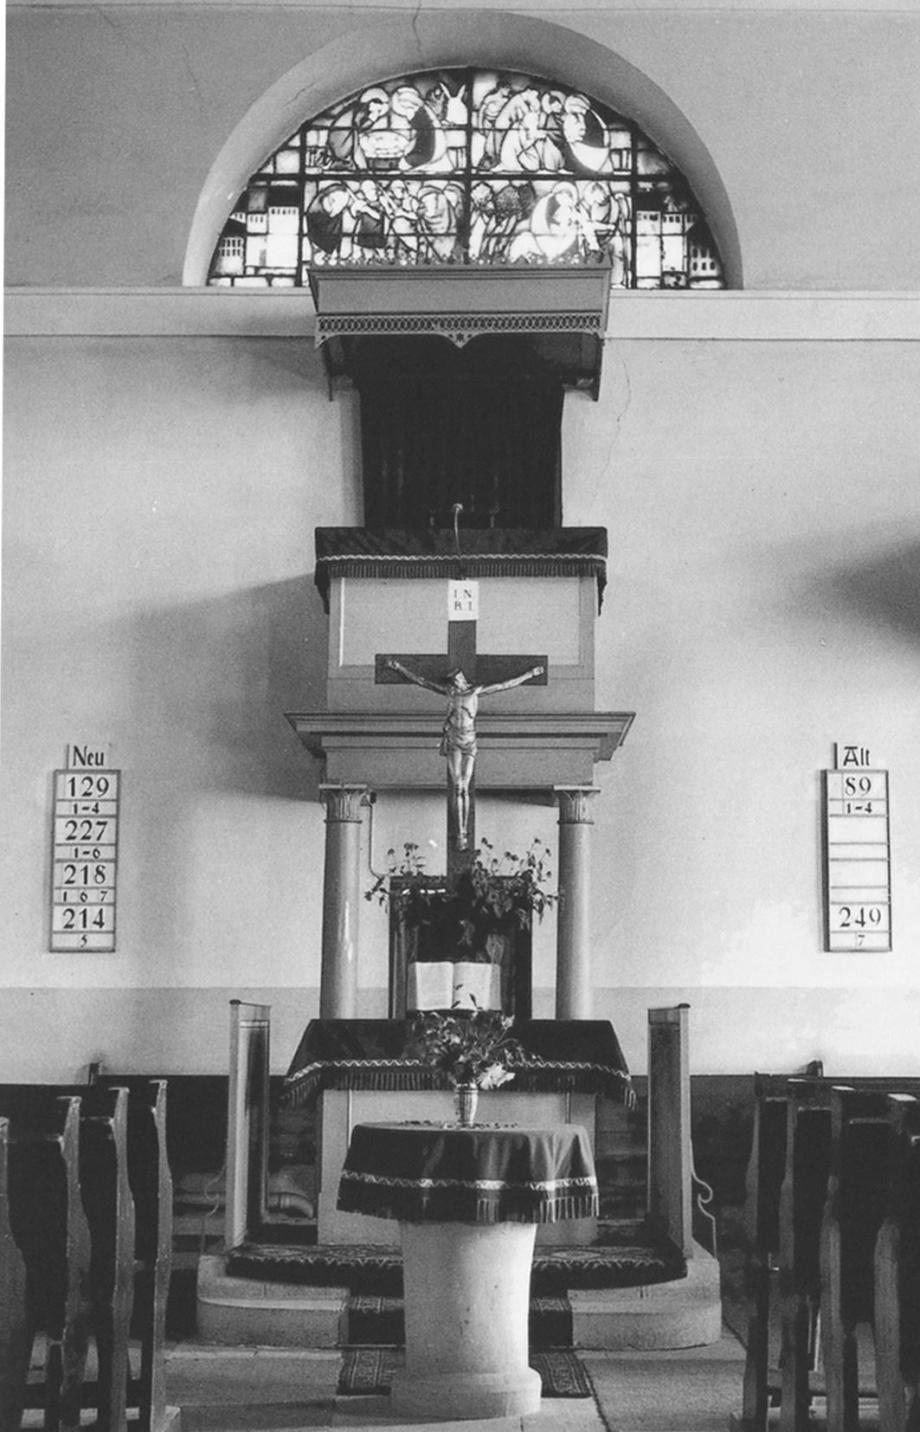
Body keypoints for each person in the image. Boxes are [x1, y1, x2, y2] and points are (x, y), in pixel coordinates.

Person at [386, 659, 545, 849]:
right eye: (454, 679)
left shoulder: (475, 691)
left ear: (462, 678)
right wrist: (399, 668)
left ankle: (463, 832)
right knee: (457, 785)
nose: (456, 681)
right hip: (453, 739)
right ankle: (460, 832)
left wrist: (530, 674)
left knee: (464, 787)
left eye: (458, 678)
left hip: (469, 740)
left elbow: (504, 685)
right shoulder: (450, 692)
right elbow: (422, 681)